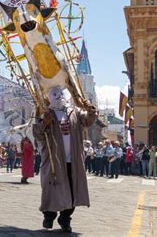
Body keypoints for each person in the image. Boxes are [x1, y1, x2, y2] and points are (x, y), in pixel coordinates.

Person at [33, 86, 97, 233]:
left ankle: (65, 219)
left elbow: (88, 120)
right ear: (49, 96)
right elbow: (37, 135)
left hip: (73, 161)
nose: (58, 96)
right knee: (51, 188)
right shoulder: (45, 113)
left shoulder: (75, 112)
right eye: (54, 94)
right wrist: (44, 123)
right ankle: (49, 216)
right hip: (53, 160)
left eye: (61, 93)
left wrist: (91, 109)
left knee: (72, 189)